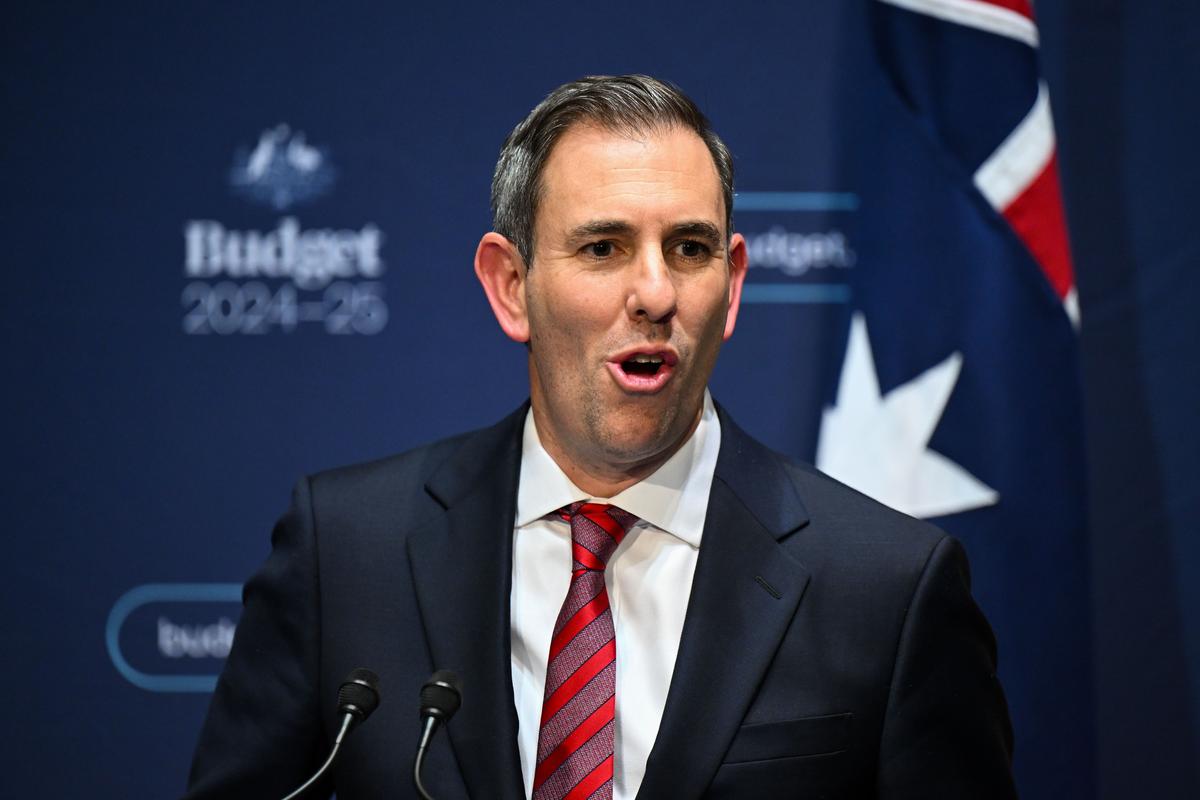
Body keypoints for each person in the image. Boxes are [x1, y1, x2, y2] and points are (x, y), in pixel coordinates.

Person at [184, 75, 1015, 800]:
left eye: (688, 249)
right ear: (511, 288)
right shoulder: (346, 550)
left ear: (730, 290)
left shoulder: (888, 588)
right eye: (604, 246)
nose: (654, 292)